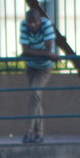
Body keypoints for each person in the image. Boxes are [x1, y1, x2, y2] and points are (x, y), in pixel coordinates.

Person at [20, 8, 58, 144]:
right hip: (31, 65)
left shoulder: (47, 25)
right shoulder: (24, 25)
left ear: (40, 21)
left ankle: (28, 131)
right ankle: (39, 134)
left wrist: (33, 52)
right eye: (29, 22)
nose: (32, 25)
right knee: (35, 97)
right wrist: (47, 54)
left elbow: (46, 48)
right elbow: (25, 50)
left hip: (44, 67)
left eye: (35, 22)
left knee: (35, 94)